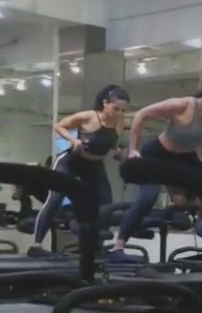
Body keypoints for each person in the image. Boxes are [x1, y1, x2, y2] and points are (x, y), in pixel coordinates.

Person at [108, 79, 202, 262]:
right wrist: (134, 150)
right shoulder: (183, 105)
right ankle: (118, 247)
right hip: (158, 154)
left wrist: (200, 161)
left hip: (186, 157)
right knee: (148, 197)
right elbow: (141, 115)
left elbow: (201, 139)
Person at [30, 85, 129, 254]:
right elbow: (59, 126)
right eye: (116, 108)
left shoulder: (119, 122)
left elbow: (109, 141)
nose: (119, 113)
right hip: (71, 161)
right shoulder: (88, 116)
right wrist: (73, 140)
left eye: (123, 110)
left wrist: (117, 152)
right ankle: (36, 245)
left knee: (106, 203)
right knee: (55, 199)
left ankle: (96, 245)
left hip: (94, 165)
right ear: (105, 103)